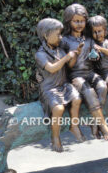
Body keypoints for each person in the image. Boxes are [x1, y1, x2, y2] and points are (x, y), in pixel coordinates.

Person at [61, 4, 108, 141]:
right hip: (75, 76)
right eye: (76, 21)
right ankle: (103, 126)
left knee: (103, 86)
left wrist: (95, 55)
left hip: (90, 72)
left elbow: (94, 59)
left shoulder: (89, 39)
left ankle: (95, 122)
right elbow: (67, 66)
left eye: (82, 21)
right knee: (89, 91)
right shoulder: (65, 40)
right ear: (69, 21)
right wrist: (76, 54)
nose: (79, 24)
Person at [35, 18, 85, 152]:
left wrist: (75, 55)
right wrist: (67, 57)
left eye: (60, 34)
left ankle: (74, 126)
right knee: (58, 109)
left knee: (77, 99)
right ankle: (55, 137)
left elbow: (70, 65)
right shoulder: (40, 54)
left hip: (63, 85)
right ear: (46, 35)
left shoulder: (59, 50)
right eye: (57, 34)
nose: (60, 37)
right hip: (49, 88)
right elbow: (51, 68)